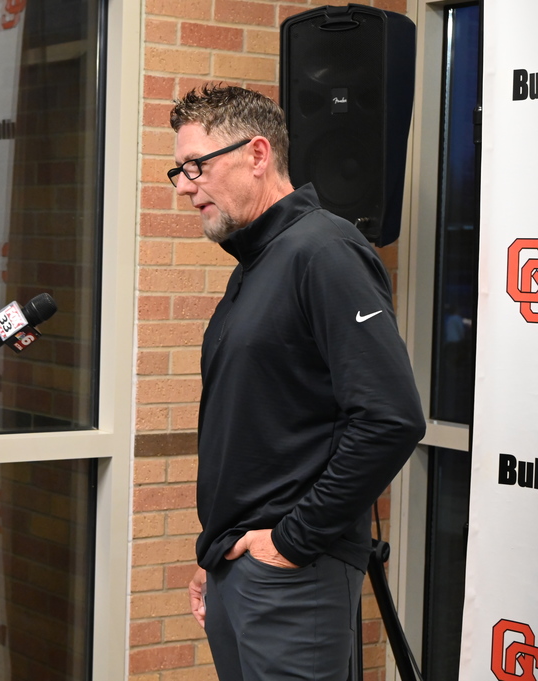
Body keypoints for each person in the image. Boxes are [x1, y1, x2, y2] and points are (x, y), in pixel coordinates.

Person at [169, 85, 425, 680]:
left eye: (196, 166)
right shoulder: (257, 263)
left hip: (292, 577)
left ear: (258, 154)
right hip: (240, 569)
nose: (184, 187)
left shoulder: (325, 250)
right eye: (177, 171)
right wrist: (215, 553)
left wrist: (289, 542)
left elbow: (391, 419)